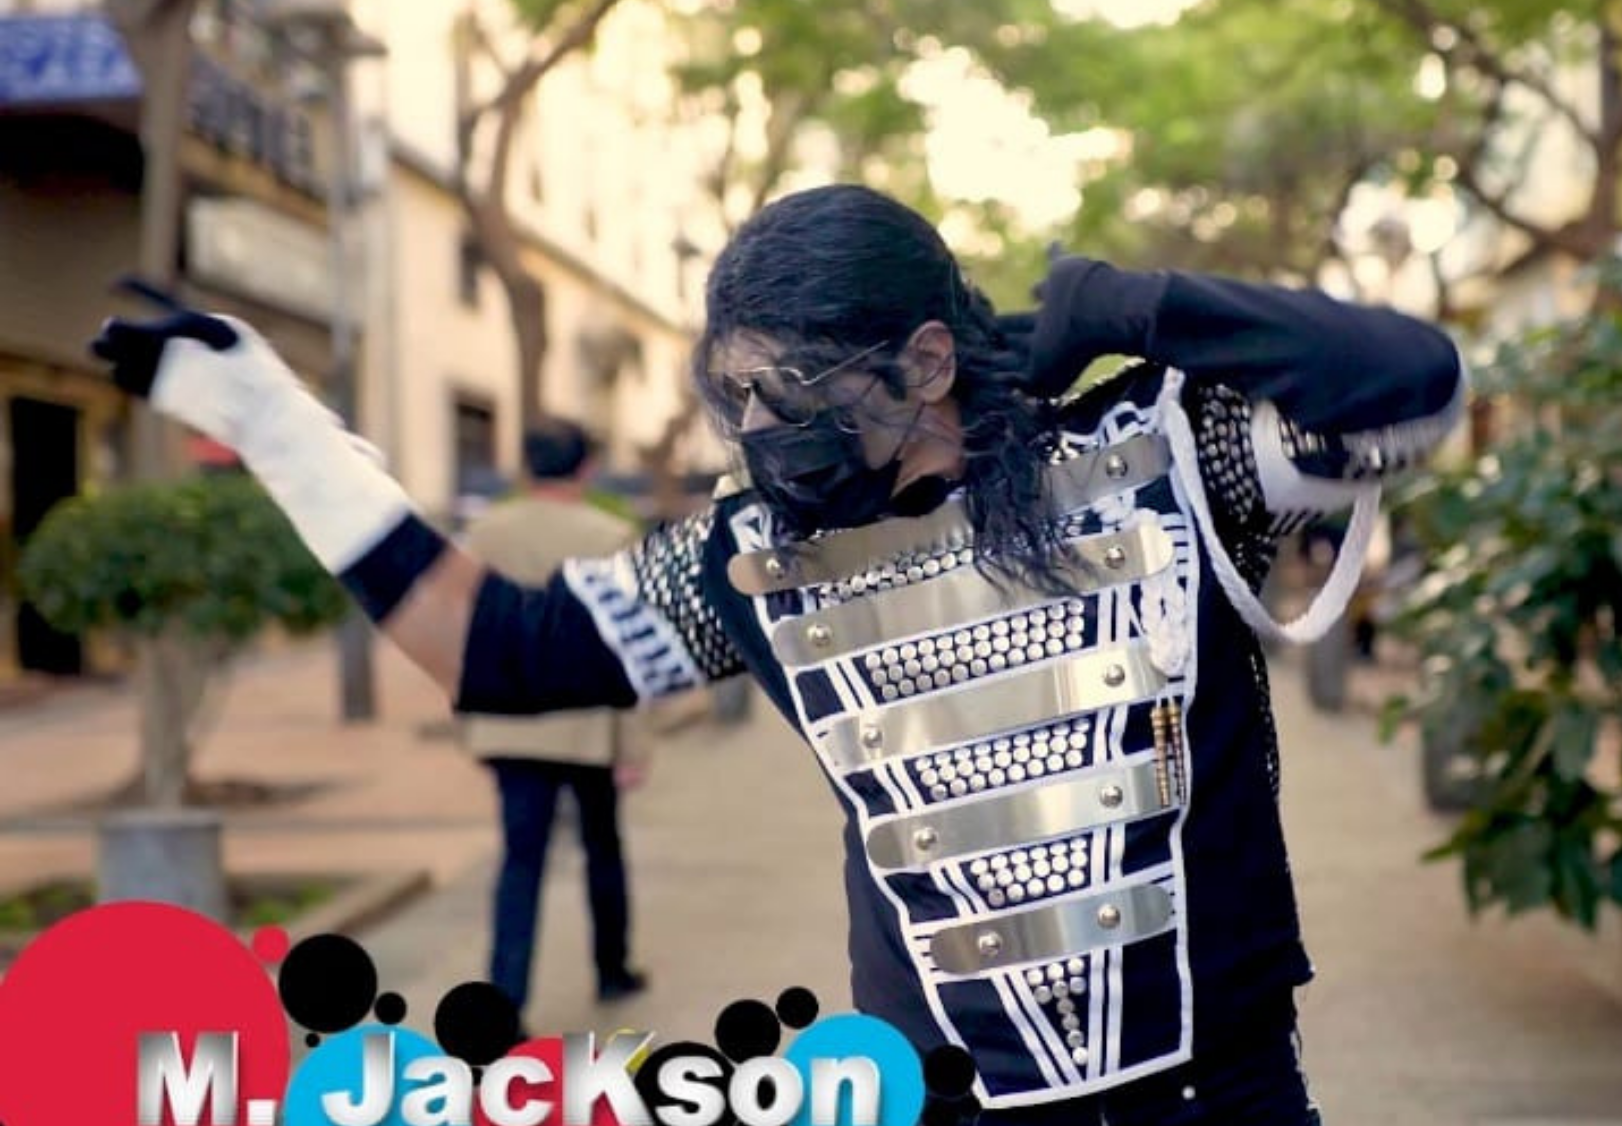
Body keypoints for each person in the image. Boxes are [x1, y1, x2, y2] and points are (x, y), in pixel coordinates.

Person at [90, 184, 1463, 1125]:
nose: (755, 429)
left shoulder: (1159, 455)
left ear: (927, 360)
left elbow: (1411, 386)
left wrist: (1132, 304)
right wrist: (270, 423)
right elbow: (499, 650)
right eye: (734, 391)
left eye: (789, 390)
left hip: (1218, 1093)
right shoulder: (749, 556)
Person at [456, 417, 650, 1018]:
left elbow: (462, 631)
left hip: (509, 724)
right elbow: (629, 645)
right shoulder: (611, 536)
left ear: (526, 466)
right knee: (602, 848)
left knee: (520, 860)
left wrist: (470, 722)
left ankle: (506, 999)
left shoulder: (482, 535)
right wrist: (633, 746)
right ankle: (612, 970)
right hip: (589, 723)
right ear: (586, 468)